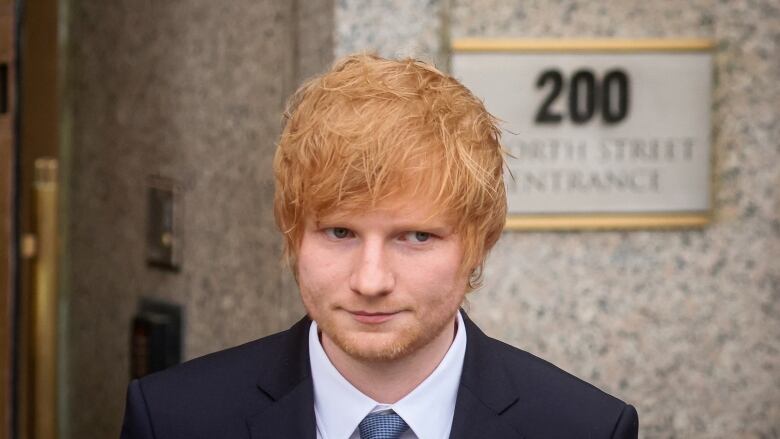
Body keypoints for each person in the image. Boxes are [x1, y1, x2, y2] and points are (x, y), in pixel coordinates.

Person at [121, 54, 638, 439]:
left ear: (479, 243)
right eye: (340, 233)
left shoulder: (585, 427)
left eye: (416, 237)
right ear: (292, 232)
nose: (371, 281)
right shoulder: (173, 419)